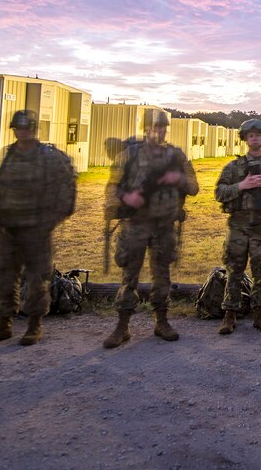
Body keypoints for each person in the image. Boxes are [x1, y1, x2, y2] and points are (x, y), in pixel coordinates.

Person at [0, 110, 77, 347]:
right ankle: (4, 324)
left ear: (34, 129)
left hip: (36, 231)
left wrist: (50, 222)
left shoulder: (49, 157)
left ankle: (34, 325)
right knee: (4, 277)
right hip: (7, 229)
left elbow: (67, 192)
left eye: (26, 128)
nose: (22, 133)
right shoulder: (6, 155)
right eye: (18, 129)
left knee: (37, 278)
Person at [103, 111, 198, 348]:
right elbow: (111, 189)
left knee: (162, 275)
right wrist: (127, 197)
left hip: (164, 226)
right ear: (146, 129)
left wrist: (179, 179)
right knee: (129, 277)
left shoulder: (176, 155)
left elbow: (194, 188)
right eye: (155, 128)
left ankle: (162, 321)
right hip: (135, 225)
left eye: (163, 129)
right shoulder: (129, 155)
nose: (159, 132)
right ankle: (122, 326)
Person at [214, 118, 261, 335]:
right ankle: (230, 315)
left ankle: (260, 314)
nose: (254, 138)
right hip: (237, 227)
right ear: (245, 140)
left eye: (258, 135)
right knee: (234, 272)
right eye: (250, 135)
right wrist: (242, 185)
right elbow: (219, 193)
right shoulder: (234, 166)